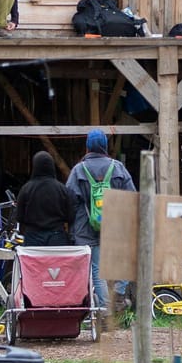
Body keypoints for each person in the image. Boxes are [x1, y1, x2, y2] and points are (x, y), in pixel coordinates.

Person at [67, 129, 135, 310]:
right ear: (105, 146)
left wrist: (72, 226)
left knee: (97, 269)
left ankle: (105, 311)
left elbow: (69, 201)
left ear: (88, 147)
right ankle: (118, 298)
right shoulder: (118, 168)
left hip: (86, 228)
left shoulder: (78, 170)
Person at [14, 149, 73, 247]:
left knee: (34, 263)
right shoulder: (62, 189)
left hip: (33, 238)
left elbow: (19, 216)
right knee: (56, 263)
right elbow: (70, 216)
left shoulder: (26, 189)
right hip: (57, 238)